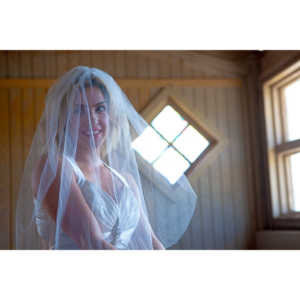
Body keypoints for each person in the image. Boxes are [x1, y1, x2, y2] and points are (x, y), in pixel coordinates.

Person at [16, 66, 196, 250]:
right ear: (64, 119)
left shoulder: (127, 181)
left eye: (99, 109)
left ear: (110, 115)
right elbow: (92, 243)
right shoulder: (54, 167)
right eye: (79, 111)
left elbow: (151, 244)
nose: (92, 119)